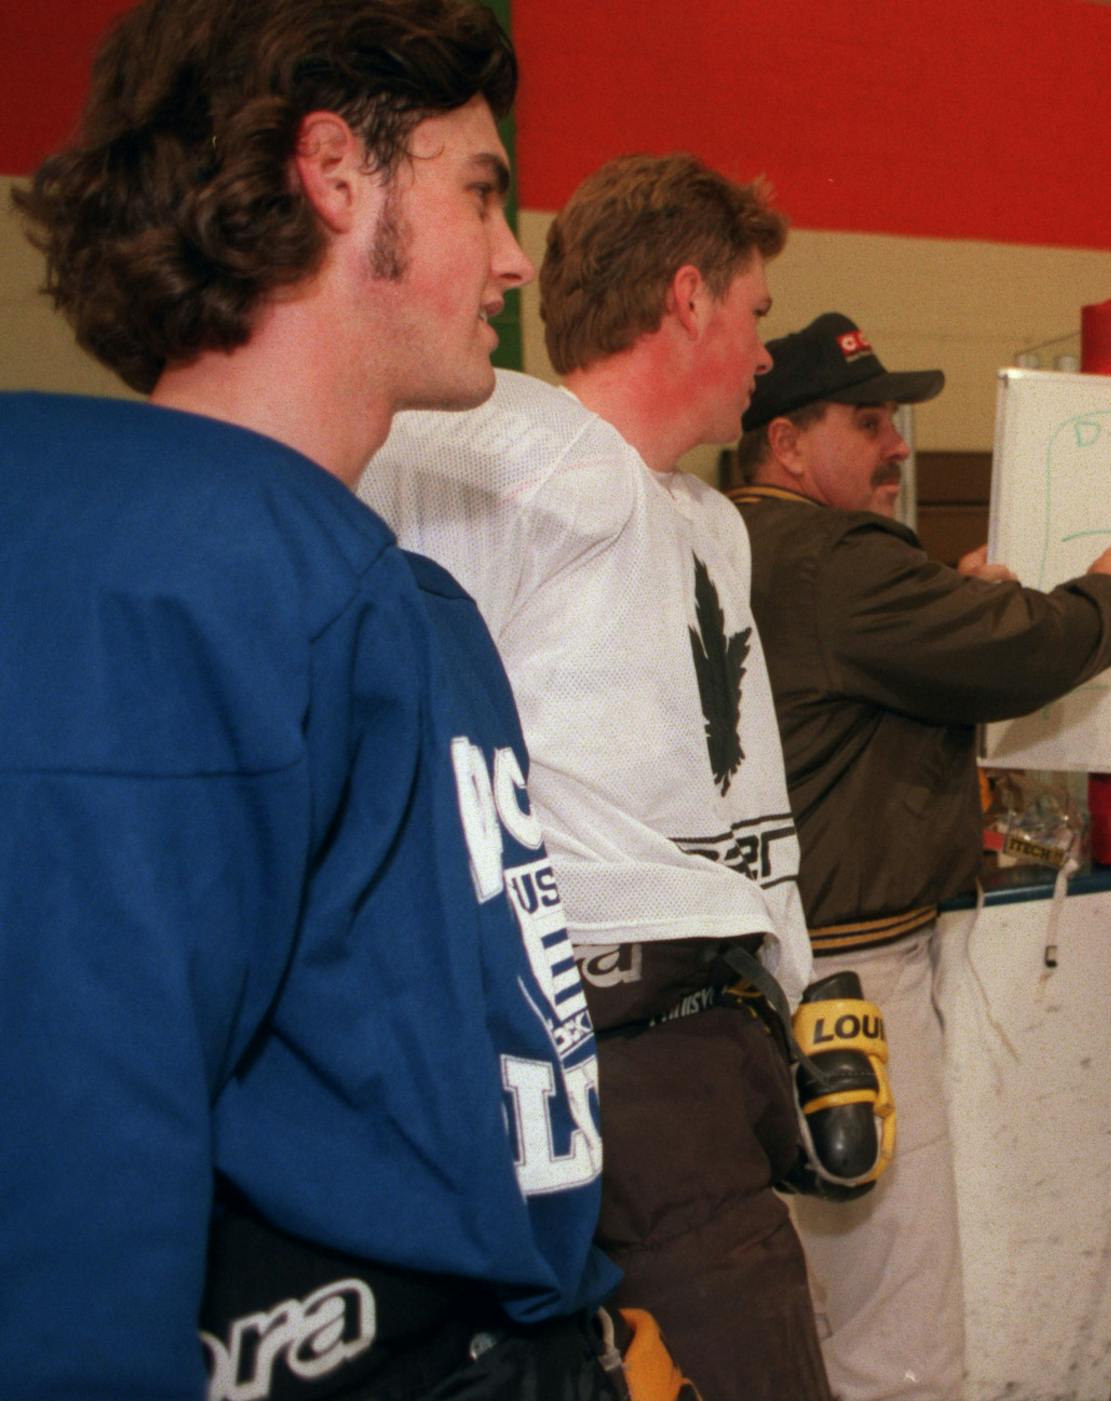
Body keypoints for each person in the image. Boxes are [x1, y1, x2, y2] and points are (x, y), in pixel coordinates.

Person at [0, 0, 651, 1395]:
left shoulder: (360, 587)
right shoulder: (163, 585)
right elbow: (69, 1167)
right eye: (481, 191)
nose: (513, 256)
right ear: (338, 173)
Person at [361, 155, 847, 1399]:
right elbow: (389, 725)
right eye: (757, 314)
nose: (760, 354)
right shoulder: (494, 444)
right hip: (605, 1028)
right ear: (690, 298)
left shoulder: (708, 517)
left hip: (714, 1023)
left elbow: (729, 790)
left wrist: (801, 983)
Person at [726, 311, 1111, 1399]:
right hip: (849, 980)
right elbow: (1028, 649)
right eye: (869, 422)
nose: (899, 445)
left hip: (748, 978)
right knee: (899, 1326)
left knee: (803, 1312)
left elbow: (857, 684)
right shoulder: (832, 557)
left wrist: (945, 608)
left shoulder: (728, 538)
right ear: (785, 443)